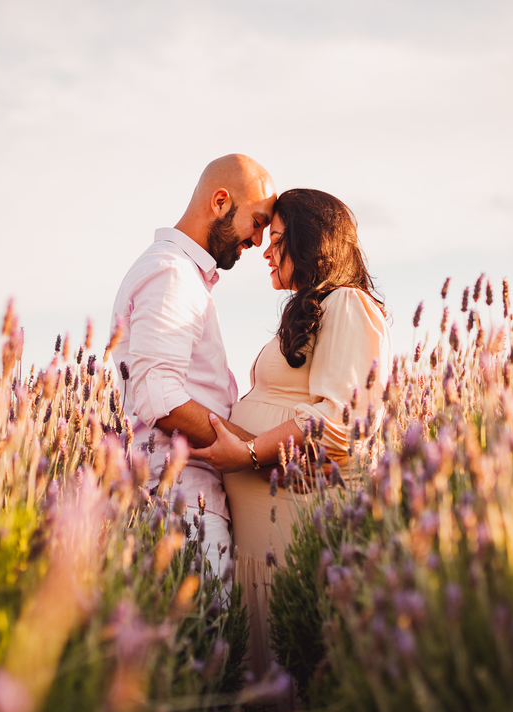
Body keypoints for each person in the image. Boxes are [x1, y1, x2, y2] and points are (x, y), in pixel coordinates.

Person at [192, 188, 391, 680]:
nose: (264, 250)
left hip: (296, 535)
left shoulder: (347, 303)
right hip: (263, 545)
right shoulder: (313, 310)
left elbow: (340, 422)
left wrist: (248, 454)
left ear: (309, 240)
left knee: (294, 675)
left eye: (276, 238)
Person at [109, 154, 276, 582]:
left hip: (180, 505)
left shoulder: (178, 273)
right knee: (204, 647)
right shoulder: (173, 274)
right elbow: (159, 398)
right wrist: (259, 453)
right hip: (182, 510)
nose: (258, 241)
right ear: (221, 202)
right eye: (256, 222)